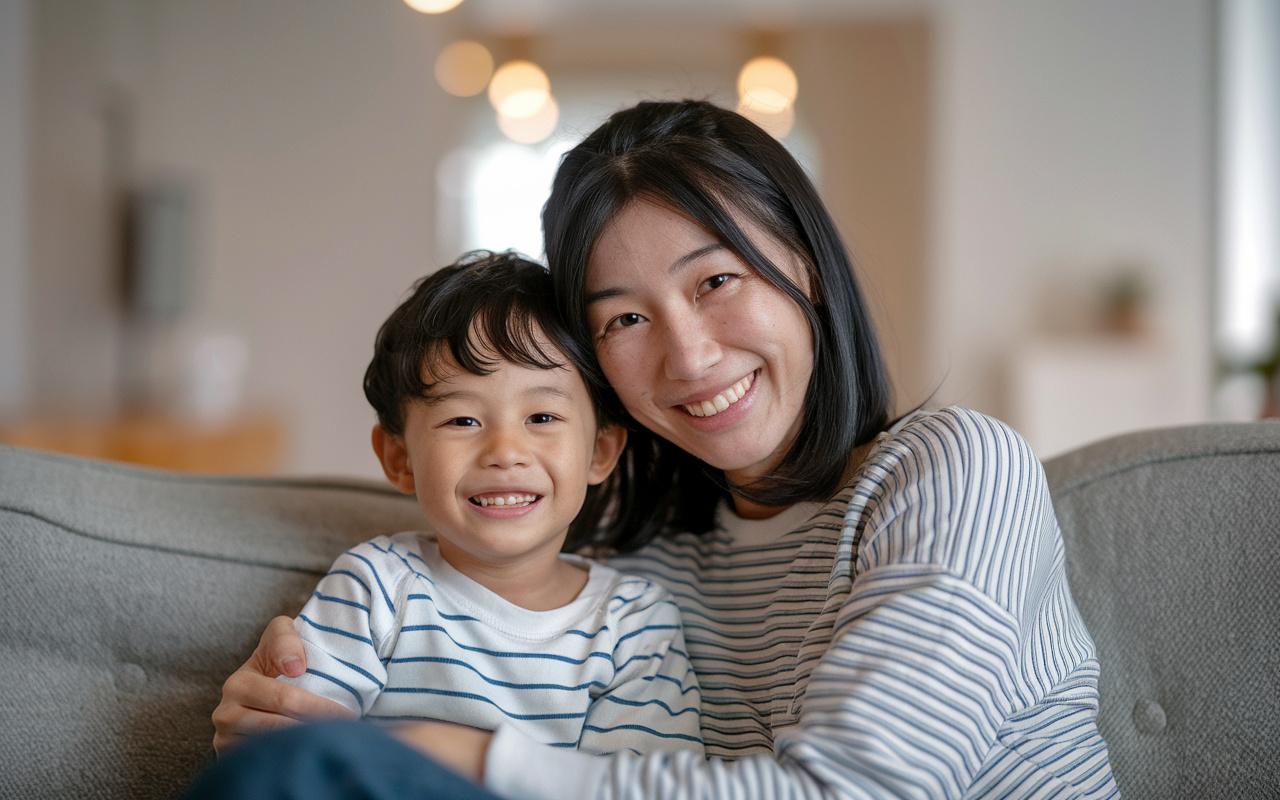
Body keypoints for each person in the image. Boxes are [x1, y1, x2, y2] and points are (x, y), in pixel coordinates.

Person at [204, 100, 1119, 799]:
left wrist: (435, 751)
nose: (688, 356)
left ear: (805, 264)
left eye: (716, 279)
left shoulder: (955, 472)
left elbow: (853, 793)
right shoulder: (641, 566)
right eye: (626, 319)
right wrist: (284, 705)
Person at [193, 251, 703, 794]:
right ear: (399, 459)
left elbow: (638, 787)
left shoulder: (632, 623)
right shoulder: (376, 585)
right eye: (462, 419)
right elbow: (300, 749)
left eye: (542, 417)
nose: (505, 451)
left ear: (600, 452)